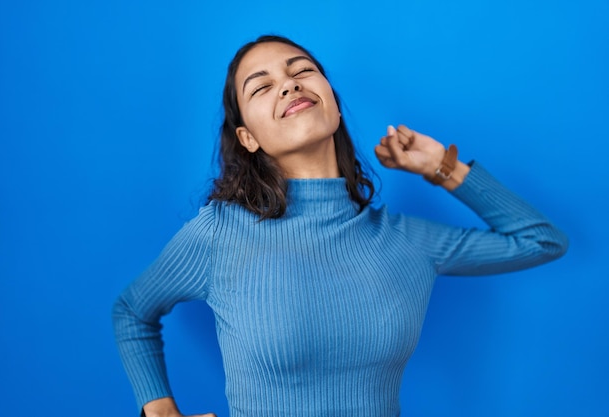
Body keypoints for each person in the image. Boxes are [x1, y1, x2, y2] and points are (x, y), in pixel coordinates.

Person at [112, 35, 568, 417]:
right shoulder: (220, 235)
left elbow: (541, 240)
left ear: (333, 101)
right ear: (247, 138)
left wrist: (440, 167)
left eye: (301, 71)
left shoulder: (407, 240)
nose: (289, 85)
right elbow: (132, 311)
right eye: (262, 86)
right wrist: (160, 411)